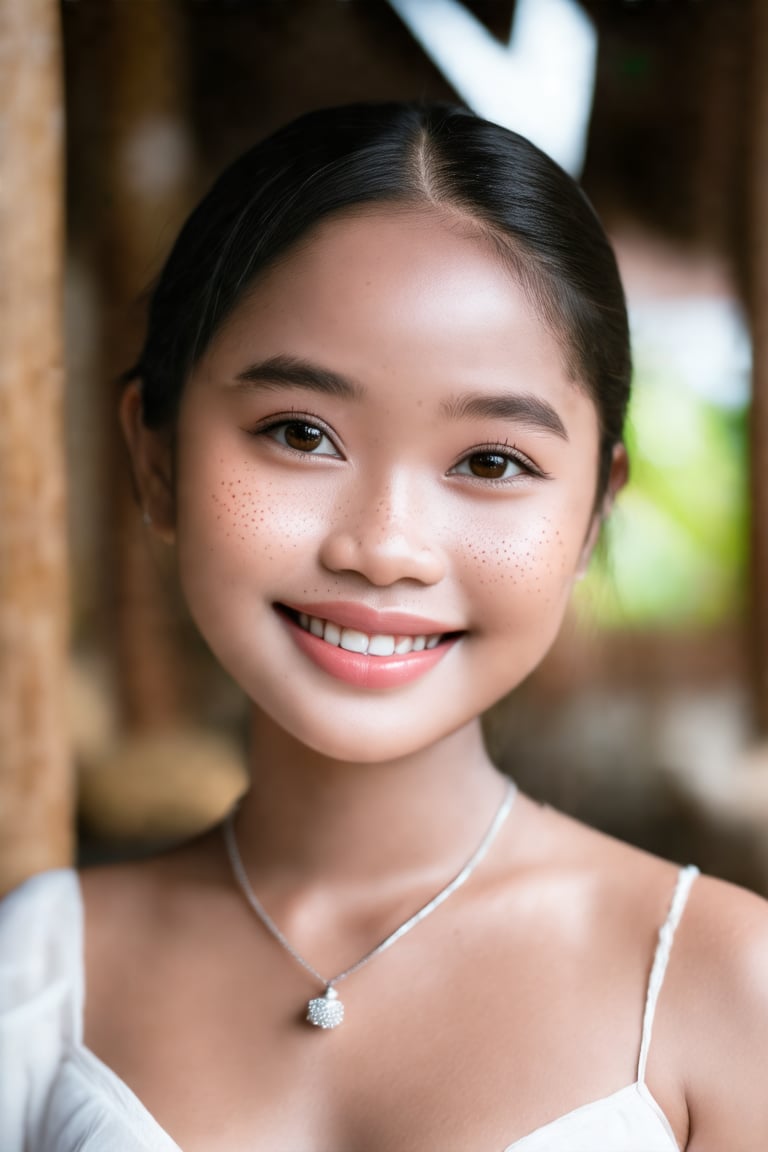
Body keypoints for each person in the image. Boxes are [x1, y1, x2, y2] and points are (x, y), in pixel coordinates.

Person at [1, 100, 767, 1152]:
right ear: (158, 459)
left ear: (594, 509)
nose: (383, 545)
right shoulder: (39, 972)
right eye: (300, 433)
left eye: (492, 461)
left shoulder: (723, 987)